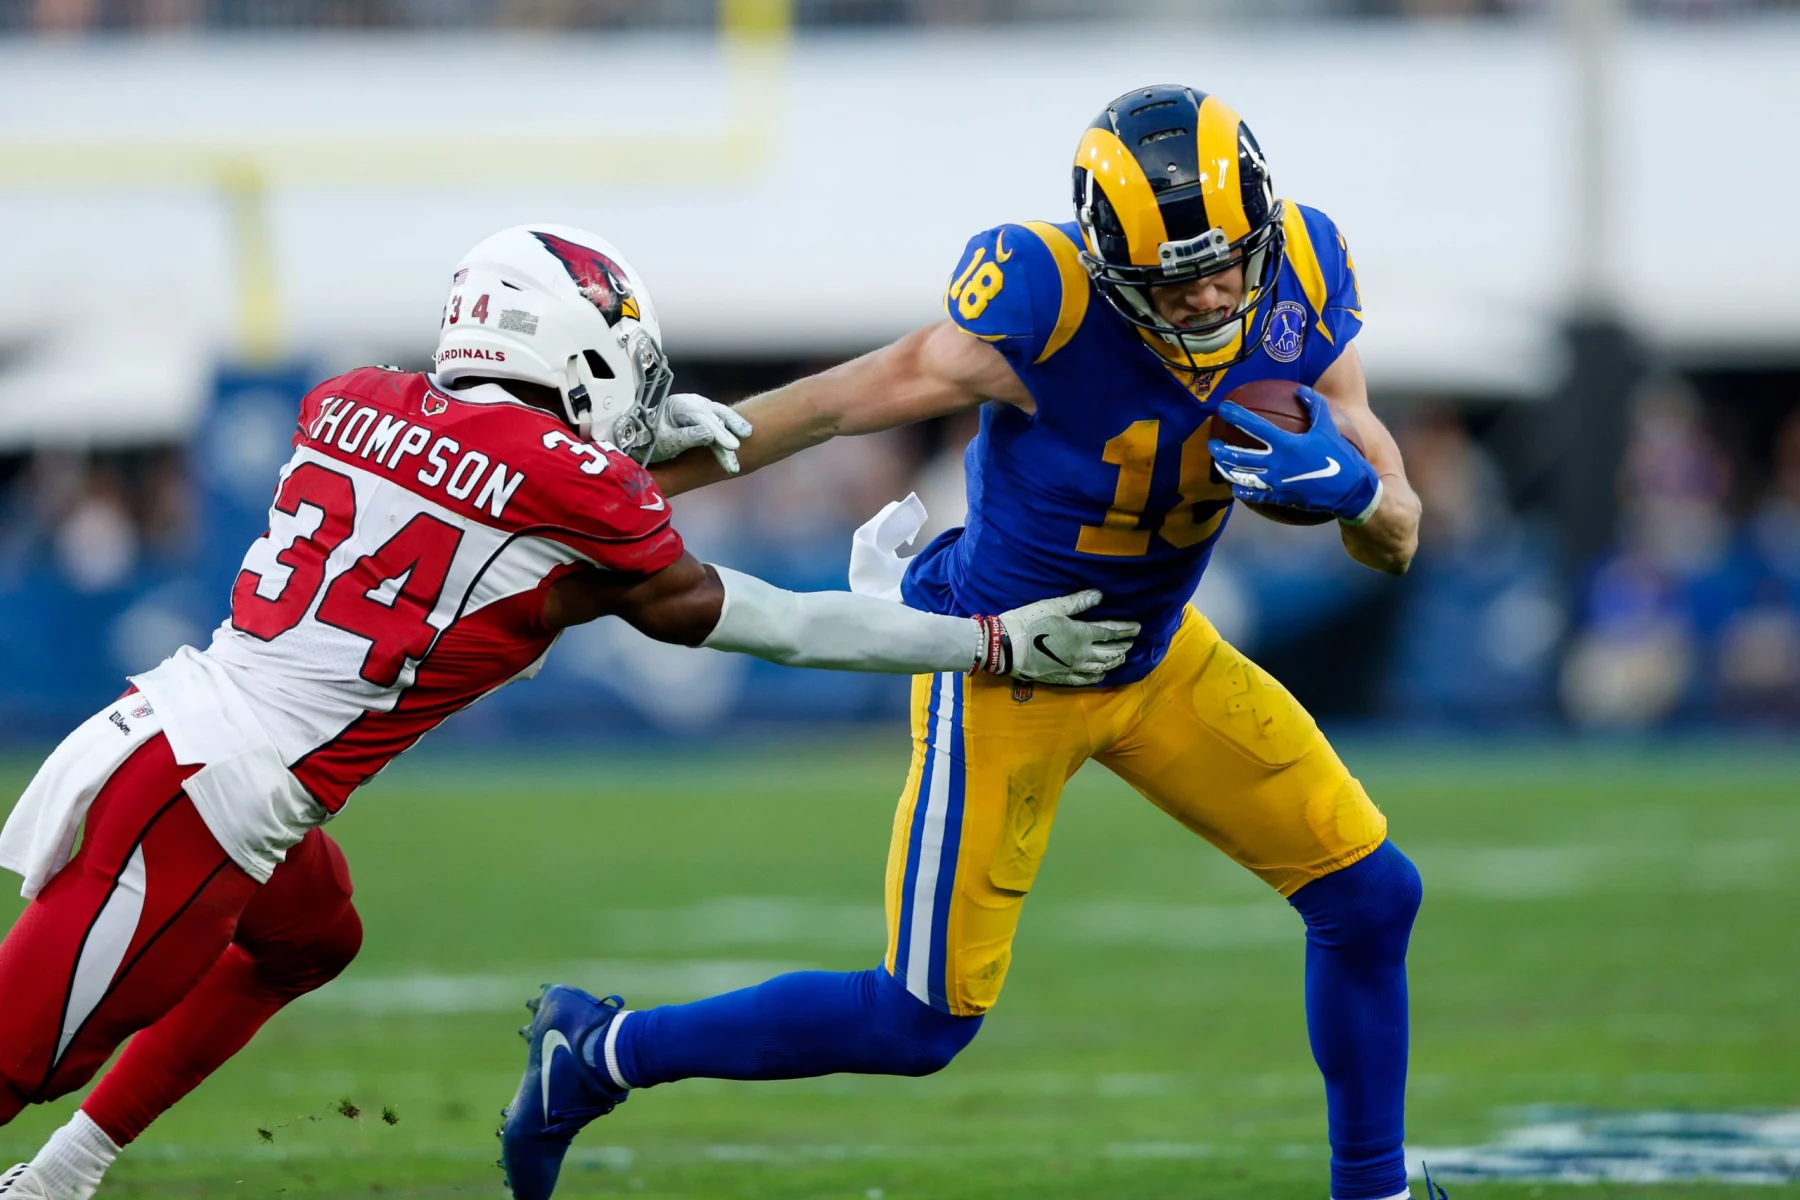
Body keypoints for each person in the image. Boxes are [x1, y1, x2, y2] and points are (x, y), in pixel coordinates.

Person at [0, 224, 1136, 1200]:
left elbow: (490, 508)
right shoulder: (564, 487)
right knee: (21, 1058)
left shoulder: (348, 399)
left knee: (311, 937)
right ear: (569, 341)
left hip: (168, 731)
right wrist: (984, 639)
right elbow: (777, 622)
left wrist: (625, 452)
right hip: (209, 803)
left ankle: (63, 1175)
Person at [505, 87, 1435, 1200]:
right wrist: (609, 491)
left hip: (1153, 656)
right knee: (917, 1021)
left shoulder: (1308, 274)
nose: (1206, 297)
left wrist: (1353, 493)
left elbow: (1399, 538)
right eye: (1171, 281)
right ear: (1107, 266)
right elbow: (836, 406)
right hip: (1005, 664)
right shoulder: (1043, 305)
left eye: (1225, 266)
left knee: (1371, 895)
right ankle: (599, 1054)